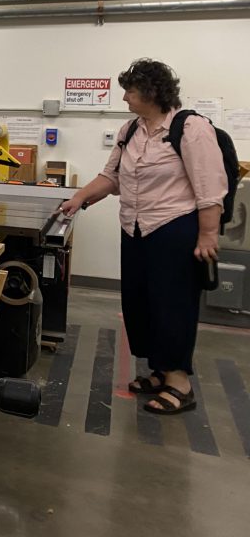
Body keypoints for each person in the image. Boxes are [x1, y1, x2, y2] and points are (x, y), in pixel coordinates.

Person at [60, 59, 226, 415]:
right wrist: (79, 197)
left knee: (174, 304)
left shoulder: (191, 128)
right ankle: (159, 371)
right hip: (134, 228)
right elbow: (112, 176)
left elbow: (210, 188)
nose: (125, 98)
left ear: (152, 92)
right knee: (140, 302)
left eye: (130, 91)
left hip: (174, 229)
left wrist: (208, 235)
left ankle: (180, 383)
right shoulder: (130, 130)